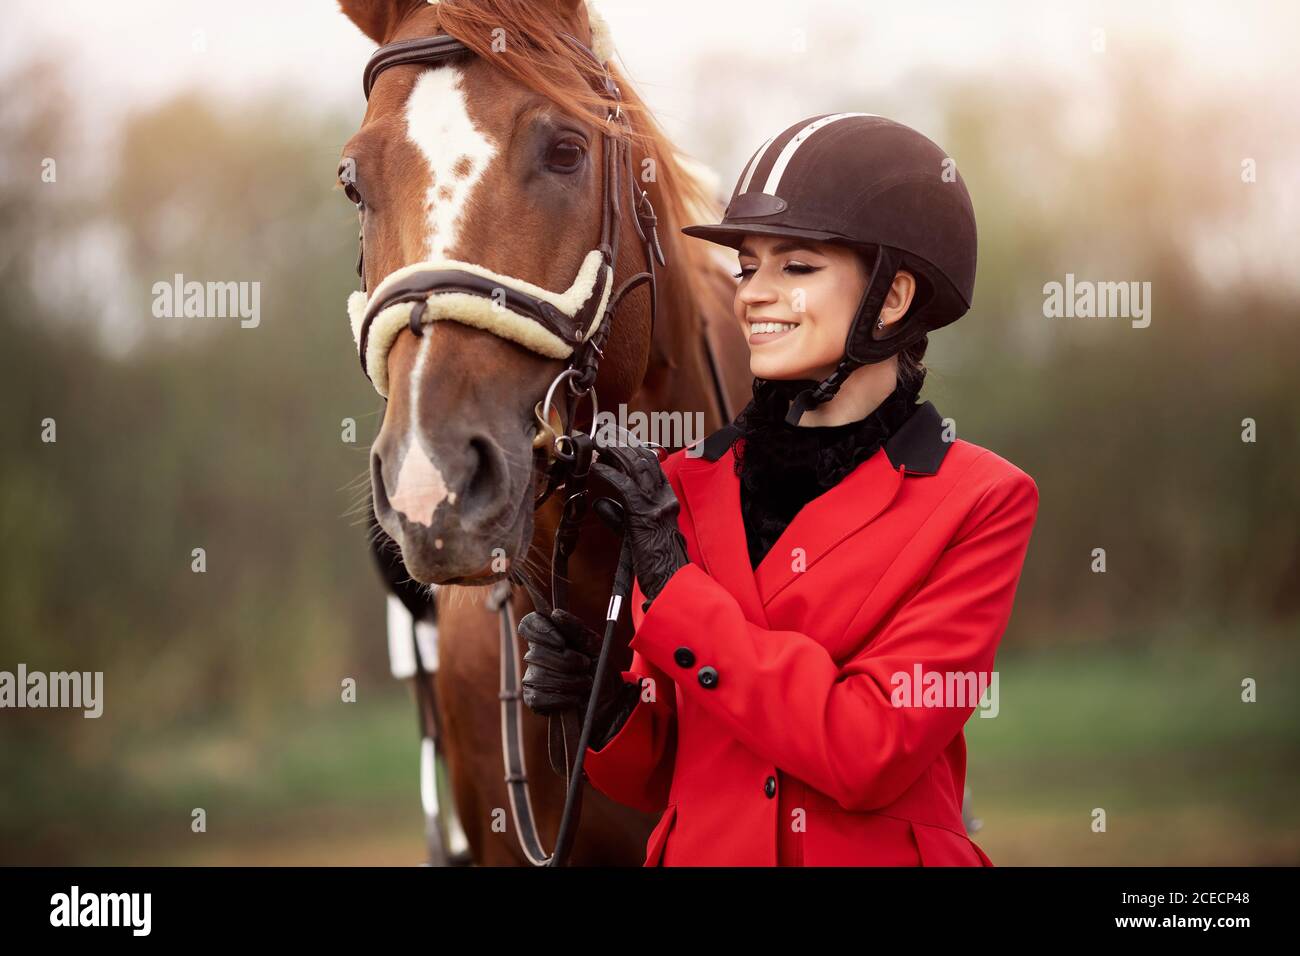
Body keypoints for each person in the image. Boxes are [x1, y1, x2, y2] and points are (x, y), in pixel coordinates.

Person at [520, 113, 1039, 866]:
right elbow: (669, 774)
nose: (753, 296)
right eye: (747, 268)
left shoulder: (981, 501)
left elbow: (869, 750)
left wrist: (676, 586)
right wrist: (605, 710)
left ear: (891, 299)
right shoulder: (683, 487)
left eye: (794, 268)